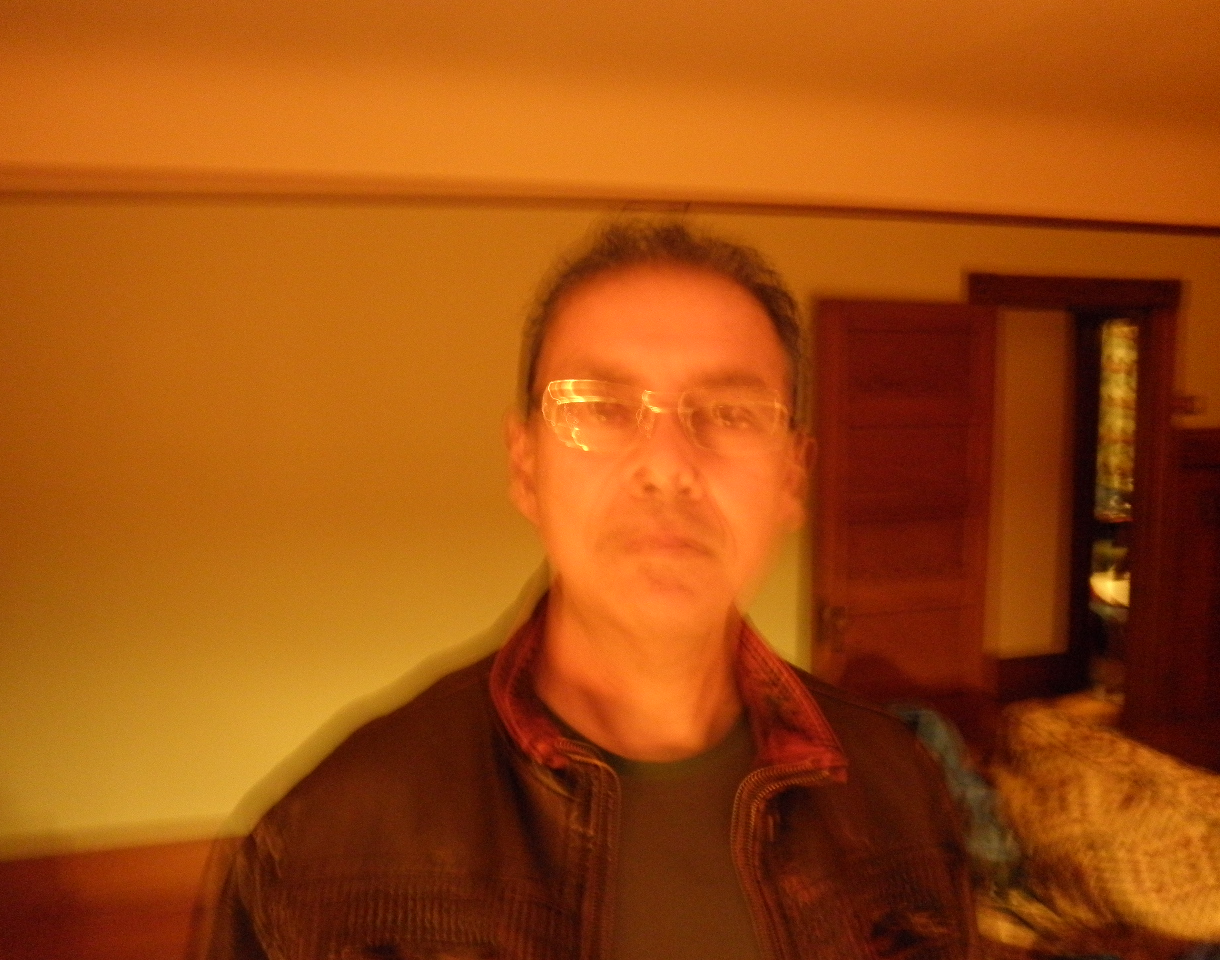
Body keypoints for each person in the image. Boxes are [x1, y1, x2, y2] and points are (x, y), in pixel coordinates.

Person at [195, 221, 980, 960]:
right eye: (600, 408)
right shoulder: (329, 842)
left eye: (732, 412)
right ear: (526, 467)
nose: (667, 465)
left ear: (791, 479)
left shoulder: (901, 790)